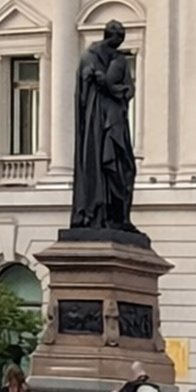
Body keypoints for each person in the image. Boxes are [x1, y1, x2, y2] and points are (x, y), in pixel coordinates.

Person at [70, 21, 138, 233]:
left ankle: (117, 215)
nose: (118, 43)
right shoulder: (90, 56)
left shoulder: (119, 60)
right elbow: (84, 91)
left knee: (125, 168)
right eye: (117, 39)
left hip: (114, 118)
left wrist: (112, 86)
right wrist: (104, 84)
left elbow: (128, 88)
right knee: (104, 163)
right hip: (98, 120)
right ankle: (99, 212)